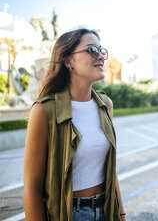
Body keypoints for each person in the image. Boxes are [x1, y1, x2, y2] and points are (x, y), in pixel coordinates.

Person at [24, 28, 126, 220]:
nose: (101, 57)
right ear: (68, 61)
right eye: (92, 50)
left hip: (107, 210)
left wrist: (121, 214)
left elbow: (111, 170)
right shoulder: (43, 111)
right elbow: (32, 187)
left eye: (101, 50)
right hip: (69, 213)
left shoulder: (105, 105)